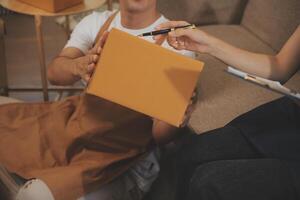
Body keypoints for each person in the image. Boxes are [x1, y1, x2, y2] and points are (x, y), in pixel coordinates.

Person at [0, 2, 195, 200]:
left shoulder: (176, 41)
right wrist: (77, 66)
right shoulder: (97, 22)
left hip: (123, 155)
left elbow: (160, 136)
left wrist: (176, 117)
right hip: (79, 126)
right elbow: (54, 74)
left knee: (35, 195)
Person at [154, 22, 300, 200]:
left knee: (211, 183)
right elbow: (279, 67)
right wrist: (207, 44)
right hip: (292, 120)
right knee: (192, 151)